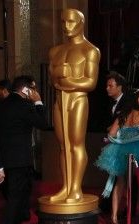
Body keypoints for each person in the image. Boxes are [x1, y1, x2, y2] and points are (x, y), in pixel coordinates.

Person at [48, 8, 100, 203]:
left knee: (76, 143)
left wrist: (67, 80)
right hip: (60, 100)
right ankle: (66, 186)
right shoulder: (55, 51)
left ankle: (76, 188)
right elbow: (53, 81)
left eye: (71, 22)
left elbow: (90, 82)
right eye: (63, 22)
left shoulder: (90, 50)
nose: (66, 26)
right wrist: (58, 78)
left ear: (81, 23)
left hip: (77, 99)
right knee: (63, 146)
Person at [0, 75, 48, 224]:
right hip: (20, 161)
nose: (35, 92)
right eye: (33, 89)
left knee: (14, 198)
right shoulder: (25, 106)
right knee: (16, 200)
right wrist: (39, 103)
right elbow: (43, 123)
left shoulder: (1, 105)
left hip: (4, 160)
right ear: (25, 89)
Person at [95, 88, 139, 224]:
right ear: (136, 100)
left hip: (120, 152)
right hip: (138, 152)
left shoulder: (122, 115)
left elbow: (111, 134)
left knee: (120, 183)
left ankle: (114, 217)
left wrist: (121, 141)